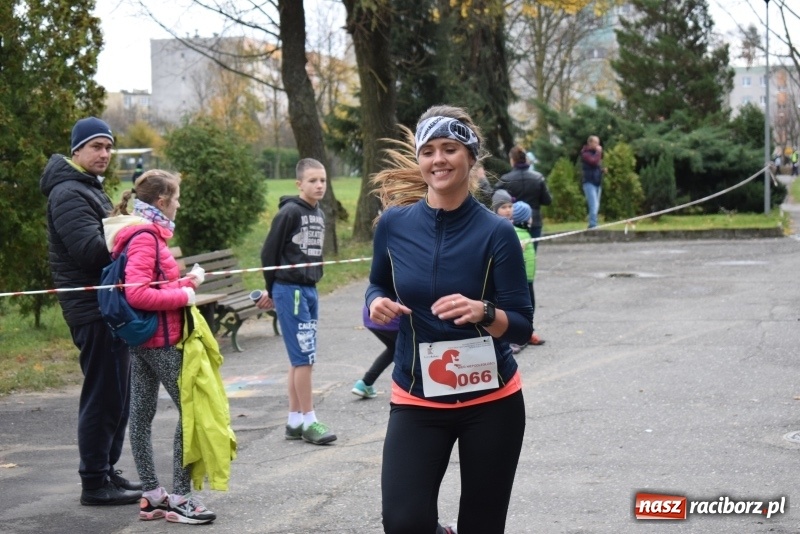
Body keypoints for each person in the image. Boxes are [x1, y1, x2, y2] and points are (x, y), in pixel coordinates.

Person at [367, 105, 532, 534]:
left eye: (450, 148)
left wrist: (485, 312)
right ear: (419, 159)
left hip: (491, 402)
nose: (438, 159)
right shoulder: (394, 225)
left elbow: (521, 324)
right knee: (404, 523)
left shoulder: (497, 233)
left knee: (482, 525)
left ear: (470, 157)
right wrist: (376, 302)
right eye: (428, 151)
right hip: (417, 398)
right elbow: (377, 284)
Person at [103, 170, 217, 524]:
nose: (179, 205)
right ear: (162, 201)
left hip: (144, 341)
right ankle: (181, 498)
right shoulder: (145, 237)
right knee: (191, 413)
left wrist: (187, 281)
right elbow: (137, 293)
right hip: (161, 343)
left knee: (141, 416)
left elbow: (154, 284)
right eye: (177, 198)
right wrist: (184, 295)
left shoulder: (144, 233)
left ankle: (152, 497)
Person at [40, 116, 143, 505]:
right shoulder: (68, 192)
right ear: (77, 150)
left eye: (109, 147)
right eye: (97, 146)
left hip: (109, 306)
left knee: (118, 395)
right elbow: (90, 251)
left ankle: (106, 471)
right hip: (92, 308)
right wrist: (134, 234)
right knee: (103, 396)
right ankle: (94, 483)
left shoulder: (87, 187)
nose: (105, 153)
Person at [255, 158, 337, 446]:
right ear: (299, 184)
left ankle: (294, 421)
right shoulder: (289, 212)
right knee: (304, 358)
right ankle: (310, 420)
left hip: (310, 290)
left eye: (323, 180)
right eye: (313, 180)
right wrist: (272, 290)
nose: (319, 185)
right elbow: (268, 254)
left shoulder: (319, 213)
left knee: (301, 358)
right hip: (290, 291)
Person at [494, 145, 552, 251]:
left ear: (512, 160)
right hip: (534, 221)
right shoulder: (538, 178)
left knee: (513, 254)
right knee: (531, 253)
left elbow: (495, 196)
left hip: (513, 221)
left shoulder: (505, 179)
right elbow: (547, 200)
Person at [511, 201, 544, 347]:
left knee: (531, 305)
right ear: (526, 219)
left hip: (529, 278)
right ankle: (520, 335)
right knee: (526, 306)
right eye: (529, 216)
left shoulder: (525, 233)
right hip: (522, 279)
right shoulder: (515, 233)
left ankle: (528, 332)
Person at [352, 304, 400, 398]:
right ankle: (412, 389)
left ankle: (365, 383)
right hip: (391, 318)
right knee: (414, 349)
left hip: (370, 314)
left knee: (393, 348)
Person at [581, 135, 604, 229]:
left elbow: (596, 166)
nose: (598, 145)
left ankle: (594, 222)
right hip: (589, 182)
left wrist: (601, 170)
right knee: (593, 204)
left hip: (597, 182)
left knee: (597, 205)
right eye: (596, 142)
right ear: (590, 143)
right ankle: (593, 224)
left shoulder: (596, 154)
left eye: (598, 143)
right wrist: (599, 152)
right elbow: (593, 162)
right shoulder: (585, 153)